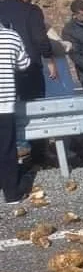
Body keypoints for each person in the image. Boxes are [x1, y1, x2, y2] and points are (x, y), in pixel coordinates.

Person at [0, 0, 58, 164]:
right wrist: (49, 57)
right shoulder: (31, 11)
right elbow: (40, 39)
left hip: (3, 71)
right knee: (34, 109)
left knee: (7, 113)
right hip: (29, 69)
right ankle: (38, 155)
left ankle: (12, 152)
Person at [0, 24, 31, 203]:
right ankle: (11, 194)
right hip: (4, 102)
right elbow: (24, 63)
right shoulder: (11, 36)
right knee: (6, 148)